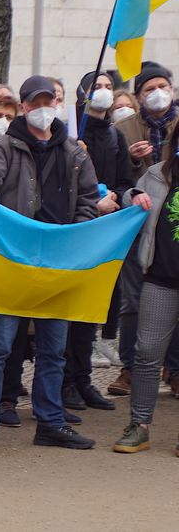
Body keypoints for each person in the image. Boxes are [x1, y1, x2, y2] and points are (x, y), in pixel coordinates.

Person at [0, 76, 100, 455]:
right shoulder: (4, 147)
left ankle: (50, 423)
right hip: (14, 261)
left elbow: (89, 198)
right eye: (36, 101)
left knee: (53, 350)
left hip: (57, 264)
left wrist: (75, 234)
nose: (44, 108)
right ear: (23, 107)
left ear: (57, 105)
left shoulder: (75, 152)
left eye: (50, 100)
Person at [62, 71, 133, 414]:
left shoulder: (116, 136)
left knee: (90, 308)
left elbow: (124, 180)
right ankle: (64, 381)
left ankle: (83, 378)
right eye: (96, 87)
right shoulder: (71, 132)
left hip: (103, 231)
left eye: (108, 87)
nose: (103, 93)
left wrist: (114, 195)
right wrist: (93, 200)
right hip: (76, 228)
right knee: (69, 310)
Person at [111, 123, 177, 455]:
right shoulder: (156, 174)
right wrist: (133, 195)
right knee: (147, 352)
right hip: (160, 277)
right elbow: (130, 196)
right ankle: (140, 425)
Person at [115, 63, 177, 177]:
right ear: (138, 97)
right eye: (150, 89)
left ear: (171, 90)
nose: (158, 93)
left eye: (162, 86)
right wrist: (132, 158)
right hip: (141, 192)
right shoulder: (121, 128)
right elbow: (115, 171)